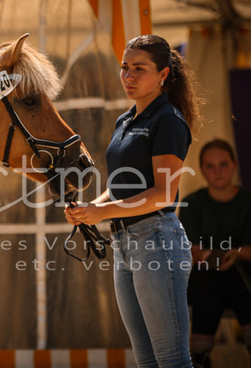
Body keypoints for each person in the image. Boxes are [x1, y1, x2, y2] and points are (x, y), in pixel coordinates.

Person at [64, 34, 202, 367]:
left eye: (140, 69)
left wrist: (102, 211)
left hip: (157, 240)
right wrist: (88, 209)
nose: (128, 76)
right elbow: (121, 187)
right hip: (124, 242)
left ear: (163, 74)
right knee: (146, 360)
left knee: (171, 359)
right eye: (125, 67)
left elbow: (163, 194)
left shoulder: (167, 119)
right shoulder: (125, 120)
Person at [179, 139, 251, 367]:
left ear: (234, 165)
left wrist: (234, 254)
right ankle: (200, 355)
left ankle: (199, 354)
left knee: (235, 274)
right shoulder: (192, 203)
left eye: (223, 164)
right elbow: (190, 251)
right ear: (201, 169)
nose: (217, 171)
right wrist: (211, 258)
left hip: (244, 276)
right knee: (211, 277)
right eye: (210, 166)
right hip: (206, 277)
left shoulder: (248, 201)